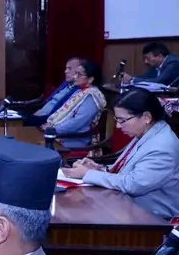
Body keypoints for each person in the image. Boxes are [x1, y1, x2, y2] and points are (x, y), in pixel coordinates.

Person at [62, 88, 179, 220]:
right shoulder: (149, 132)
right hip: (124, 206)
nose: (118, 126)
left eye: (122, 120)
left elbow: (133, 185)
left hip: (151, 218)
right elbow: (129, 170)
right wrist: (99, 169)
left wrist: (88, 174)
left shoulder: (162, 147)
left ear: (146, 117)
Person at [38, 58, 106, 147]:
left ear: (90, 79)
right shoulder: (80, 91)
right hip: (61, 134)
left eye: (79, 74)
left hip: (72, 139)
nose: (74, 77)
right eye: (75, 73)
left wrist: (54, 129)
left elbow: (77, 122)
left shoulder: (91, 97)